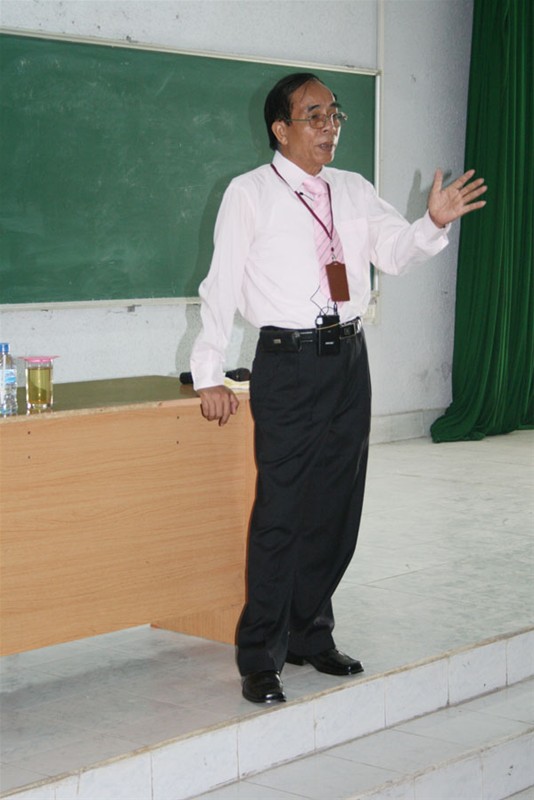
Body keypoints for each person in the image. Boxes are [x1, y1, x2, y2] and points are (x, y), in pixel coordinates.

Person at [190, 72, 487, 704]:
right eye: (315, 116)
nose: (330, 127)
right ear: (281, 129)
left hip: (349, 357)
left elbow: (395, 252)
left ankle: (309, 633)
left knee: (336, 507)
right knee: (281, 510)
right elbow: (220, 284)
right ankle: (260, 655)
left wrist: (432, 223)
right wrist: (209, 372)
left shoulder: (352, 189)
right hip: (288, 361)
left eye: (335, 115)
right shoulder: (250, 193)